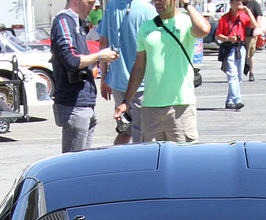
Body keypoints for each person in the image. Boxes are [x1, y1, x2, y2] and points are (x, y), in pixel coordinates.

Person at [115, 0, 211, 143]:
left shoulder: (186, 22)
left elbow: (204, 30)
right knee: (152, 160)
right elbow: (139, 67)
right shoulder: (146, 27)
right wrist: (126, 101)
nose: (158, 2)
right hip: (150, 107)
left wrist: (187, 4)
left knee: (183, 159)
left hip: (180, 106)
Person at [52, 0, 120, 150]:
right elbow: (71, 60)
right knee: (73, 166)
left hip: (84, 104)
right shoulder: (64, 21)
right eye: (90, 2)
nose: (93, 7)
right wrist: (99, 56)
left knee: (82, 164)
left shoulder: (77, 22)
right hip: (74, 105)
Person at [97, 0, 157, 144]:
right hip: (140, 85)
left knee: (125, 129)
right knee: (142, 134)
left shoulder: (111, 5)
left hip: (118, 82)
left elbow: (103, 43)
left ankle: (118, 162)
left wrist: (104, 76)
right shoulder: (148, 10)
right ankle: (138, 164)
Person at [216, 0, 257, 107]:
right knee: (232, 75)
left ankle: (229, 101)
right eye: (237, 4)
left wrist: (248, 11)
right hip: (229, 48)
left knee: (238, 76)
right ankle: (237, 100)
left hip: (241, 48)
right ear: (231, 4)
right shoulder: (224, 18)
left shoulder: (242, 16)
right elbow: (218, 35)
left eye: (241, 4)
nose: (240, 6)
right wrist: (228, 38)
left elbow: (254, 25)